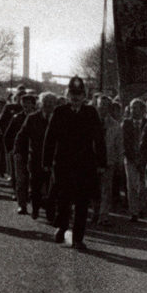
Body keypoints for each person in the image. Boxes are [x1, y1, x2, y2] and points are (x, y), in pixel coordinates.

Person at [43, 78, 106, 250]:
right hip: (63, 163)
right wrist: (47, 161)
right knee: (63, 198)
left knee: (82, 202)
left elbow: (99, 139)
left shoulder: (91, 112)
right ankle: (61, 227)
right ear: (67, 94)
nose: (76, 97)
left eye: (79, 94)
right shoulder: (60, 111)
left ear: (84, 96)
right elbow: (50, 138)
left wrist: (102, 162)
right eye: (72, 94)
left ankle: (78, 238)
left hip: (85, 165)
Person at [16, 93, 57, 222]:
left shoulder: (59, 119)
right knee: (35, 186)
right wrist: (18, 152)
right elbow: (22, 136)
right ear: (40, 104)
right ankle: (35, 208)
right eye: (46, 103)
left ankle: (50, 213)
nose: (48, 106)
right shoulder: (32, 118)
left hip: (53, 160)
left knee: (52, 188)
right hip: (35, 158)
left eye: (51, 103)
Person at [95, 101, 125, 226]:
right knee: (94, 188)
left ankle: (103, 215)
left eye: (106, 106)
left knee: (106, 189)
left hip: (109, 161)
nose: (103, 108)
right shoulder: (91, 121)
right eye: (101, 105)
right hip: (93, 161)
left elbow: (119, 145)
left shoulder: (115, 125)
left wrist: (119, 161)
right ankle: (95, 211)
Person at [6, 95, 36, 215]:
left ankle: (36, 204)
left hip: (35, 153)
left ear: (33, 104)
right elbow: (8, 135)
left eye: (28, 103)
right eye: (23, 103)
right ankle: (22, 205)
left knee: (34, 180)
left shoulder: (39, 117)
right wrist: (11, 150)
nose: (26, 106)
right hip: (20, 153)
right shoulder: (17, 118)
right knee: (21, 180)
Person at [122, 99, 147, 221]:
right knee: (132, 185)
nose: (133, 110)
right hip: (130, 158)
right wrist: (131, 157)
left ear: (143, 110)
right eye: (132, 108)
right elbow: (124, 142)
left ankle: (142, 207)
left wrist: (143, 159)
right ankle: (134, 212)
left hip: (144, 160)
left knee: (143, 186)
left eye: (136, 108)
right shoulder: (126, 123)